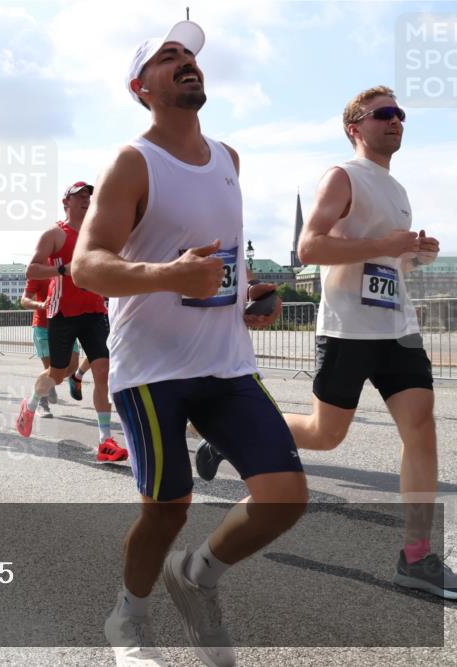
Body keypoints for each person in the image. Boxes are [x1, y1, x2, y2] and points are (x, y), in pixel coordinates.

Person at [73, 21, 309, 666]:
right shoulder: (132, 161)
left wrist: (250, 293)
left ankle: (197, 576)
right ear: (139, 88)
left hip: (226, 360)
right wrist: (169, 275)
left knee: (286, 495)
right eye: (168, 57)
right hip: (151, 368)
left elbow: (219, 259)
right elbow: (88, 266)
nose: (187, 63)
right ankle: (128, 618)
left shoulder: (229, 158)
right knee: (168, 507)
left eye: (191, 57)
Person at [196, 85, 457, 601]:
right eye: (385, 114)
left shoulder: (399, 191)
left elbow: (386, 259)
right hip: (347, 328)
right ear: (355, 127)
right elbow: (309, 246)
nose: (397, 121)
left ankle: (417, 558)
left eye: (401, 114)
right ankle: (228, 439)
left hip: (397, 329)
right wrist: (386, 245)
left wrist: (415, 254)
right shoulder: (343, 176)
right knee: (325, 434)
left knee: (421, 430)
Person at [15, 182, 127, 463]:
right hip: (62, 312)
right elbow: (32, 269)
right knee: (58, 373)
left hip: (94, 312)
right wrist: (63, 269)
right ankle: (29, 406)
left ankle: (105, 441)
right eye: (79, 197)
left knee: (103, 370)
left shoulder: (97, 236)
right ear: (65, 202)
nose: (86, 201)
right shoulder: (55, 234)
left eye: (89, 197)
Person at [20, 278, 82, 417]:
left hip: (68, 324)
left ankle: (50, 384)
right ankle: (42, 403)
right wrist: (41, 305)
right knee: (51, 368)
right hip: (43, 326)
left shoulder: (70, 269)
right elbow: (24, 300)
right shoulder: (38, 271)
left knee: (72, 366)